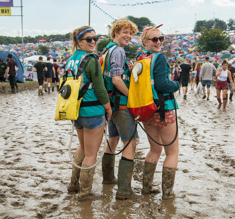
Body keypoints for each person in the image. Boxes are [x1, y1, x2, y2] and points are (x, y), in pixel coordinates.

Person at [66, 26, 112, 200]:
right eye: (88, 39)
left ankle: (73, 184)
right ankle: (85, 193)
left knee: (83, 148)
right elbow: (100, 89)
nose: (93, 42)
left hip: (76, 110)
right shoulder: (92, 59)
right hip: (93, 110)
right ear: (79, 41)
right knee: (91, 153)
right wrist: (108, 109)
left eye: (95, 38)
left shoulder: (71, 59)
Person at [139, 25, 179, 199]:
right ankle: (168, 193)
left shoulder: (140, 57)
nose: (159, 42)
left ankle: (146, 187)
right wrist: (176, 85)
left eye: (161, 38)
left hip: (147, 110)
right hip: (164, 109)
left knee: (154, 150)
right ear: (145, 41)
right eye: (154, 39)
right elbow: (163, 85)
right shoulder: (160, 58)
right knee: (172, 152)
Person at [101, 18, 138, 200]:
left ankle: (108, 179)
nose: (128, 36)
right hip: (121, 103)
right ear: (115, 32)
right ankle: (124, 190)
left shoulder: (106, 50)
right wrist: (133, 96)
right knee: (130, 143)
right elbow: (117, 79)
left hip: (110, 104)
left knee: (112, 139)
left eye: (131, 33)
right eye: (125, 32)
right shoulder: (119, 51)